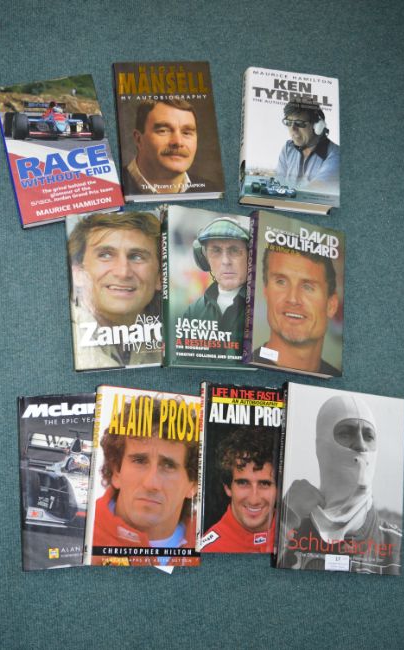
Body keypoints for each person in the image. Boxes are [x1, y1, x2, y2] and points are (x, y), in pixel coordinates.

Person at [279, 394, 402, 574]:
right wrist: (286, 518)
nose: (361, 445)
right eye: (346, 433)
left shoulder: (398, 547)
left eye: (368, 436)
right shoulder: (288, 532)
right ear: (322, 446)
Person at [93, 399, 199, 563]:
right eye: (140, 461)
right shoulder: (80, 532)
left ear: (193, 485)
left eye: (168, 466)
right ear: (116, 472)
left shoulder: (212, 544)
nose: (151, 484)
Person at [68, 211, 161, 369]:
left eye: (137, 257)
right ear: (77, 272)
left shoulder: (162, 332)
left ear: (160, 277)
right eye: (105, 255)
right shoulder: (69, 336)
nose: (123, 272)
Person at [252, 247, 340, 375]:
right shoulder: (242, 375)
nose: (293, 299)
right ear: (266, 292)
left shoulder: (338, 380)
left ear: (331, 305)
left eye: (307, 287)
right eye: (281, 282)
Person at [201, 428, 277, 553]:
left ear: (278, 490)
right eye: (243, 483)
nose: (254, 500)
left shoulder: (298, 535)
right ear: (227, 487)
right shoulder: (209, 551)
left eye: (264, 484)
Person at [183, 217, 249, 355]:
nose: (226, 261)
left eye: (235, 250)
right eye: (216, 251)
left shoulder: (266, 309)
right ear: (204, 259)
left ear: (250, 256)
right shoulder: (193, 311)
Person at [123, 98, 215, 195]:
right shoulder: (115, 187)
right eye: (163, 131)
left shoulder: (210, 189)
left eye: (186, 133)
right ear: (138, 139)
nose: (178, 142)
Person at [276, 101, 340, 192]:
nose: (292, 129)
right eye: (289, 122)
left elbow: (315, 190)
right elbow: (279, 183)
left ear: (317, 126)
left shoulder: (336, 155)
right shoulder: (288, 148)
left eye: (299, 123)